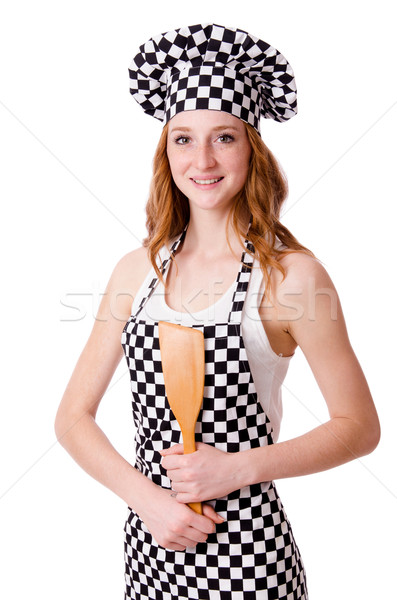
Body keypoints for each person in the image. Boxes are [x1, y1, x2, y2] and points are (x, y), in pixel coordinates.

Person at [55, 23, 380, 599]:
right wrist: (146, 500)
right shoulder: (138, 270)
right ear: (166, 152)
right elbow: (73, 419)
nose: (201, 158)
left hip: (250, 558)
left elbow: (359, 428)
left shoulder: (292, 277)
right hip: (151, 548)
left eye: (224, 137)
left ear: (252, 146)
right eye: (183, 138)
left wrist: (237, 468)